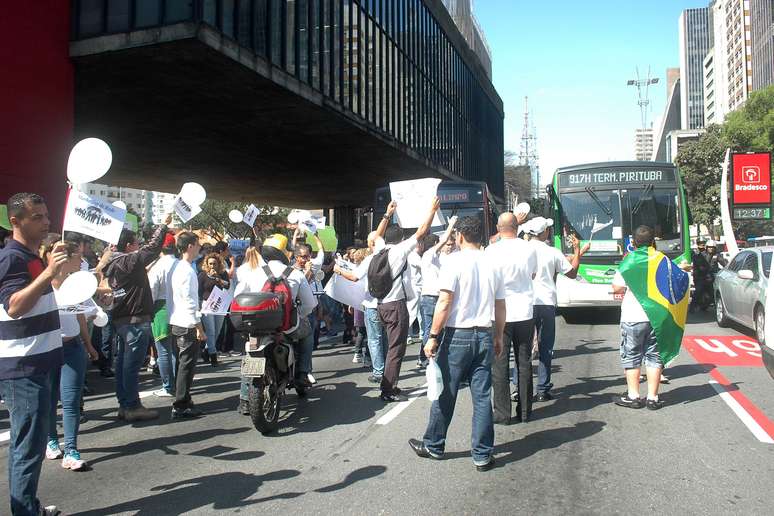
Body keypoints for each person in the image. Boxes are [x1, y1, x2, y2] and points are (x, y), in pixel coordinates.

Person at [408, 216, 504, 471]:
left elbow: (444, 302)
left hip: (456, 336)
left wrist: (432, 337)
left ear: (460, 236)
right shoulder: (493, 263)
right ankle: (482, 454)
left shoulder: (453, 262)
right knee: (482, 397)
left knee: (445, 393)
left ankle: (434, 445)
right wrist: (499, 335)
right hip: (484, 332)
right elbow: (500, 304)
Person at [0, 192, 65, 515]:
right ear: (16, 221)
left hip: (41, 361)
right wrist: (48, 273)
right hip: (24, 367)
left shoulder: (32, 255)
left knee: (33, 445)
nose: (47, 223)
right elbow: (13, 306)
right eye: (37, 217)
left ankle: (29, 507)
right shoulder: (12, 257)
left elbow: (42, 298)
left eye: (47, 216)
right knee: (27, 448)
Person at [102, 213, 172, 422]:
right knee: (131, 367)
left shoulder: (113, 262)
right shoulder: (127, 260)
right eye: (136, 244)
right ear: (130, 245)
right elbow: (151, 250)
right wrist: (163, 225)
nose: (138, 247)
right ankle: (132, 406)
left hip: (122, 320)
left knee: (124, 365)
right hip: (135, 320)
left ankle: (125, 404)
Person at [235, 235, 318, 408]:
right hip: (286, 327)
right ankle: (302, 373)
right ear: (284, 252)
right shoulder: (295, 274)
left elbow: (237, 297)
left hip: (257, 327)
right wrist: (298, 314)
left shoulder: (252, 272)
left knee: (250, 353)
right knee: (308, 333)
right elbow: (310, 305)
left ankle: (244, 397)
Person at [41, 236, 99, 472]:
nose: (82, 261)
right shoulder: (41, 285)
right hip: (47, 349)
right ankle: (51, 440)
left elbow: (80, 316)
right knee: (49, 400)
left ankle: (72, 449)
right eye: (78, 257)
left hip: (73, 348)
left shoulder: (77, 284)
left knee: (71, 401)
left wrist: (89, 345)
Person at [372, 197, 440, 402]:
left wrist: (387, 213)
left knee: (390, 346)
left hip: (381, 305)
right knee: (396, 349)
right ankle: (387, 389)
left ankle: (390, 383)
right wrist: (432, 210)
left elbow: (376, 234)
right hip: (396, 306)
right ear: (401, 238)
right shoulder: (399, 251)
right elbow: (421, 232)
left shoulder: (379, 248)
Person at [525, 217, 589, 402]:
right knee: (545, 347)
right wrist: (577, 250)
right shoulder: (552, 252)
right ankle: (543, 389)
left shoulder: (521, 250)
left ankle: (519, 388)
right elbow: (572, 273)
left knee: (523, 348)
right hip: (545, 304)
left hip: (524, 304)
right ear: (543, 233)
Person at [612, 225, 671, 410]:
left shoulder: (630, 260)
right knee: (654, 357)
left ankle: (634, 396)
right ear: (654, 241)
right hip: (657, 316)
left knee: (632, 356)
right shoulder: (662, 260)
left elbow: (617, 288)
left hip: (633, 316)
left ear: (633, 243)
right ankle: (653, 398)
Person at [485, 212, 536, 424]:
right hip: (524, 310)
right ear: (517, 226)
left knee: (500, 363)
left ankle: (502, 413)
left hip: (500, 312)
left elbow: (487, 281)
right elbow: (533, 274)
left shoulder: (491, 251)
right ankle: (525, 412)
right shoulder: (529, 248)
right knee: (524, 362)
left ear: (498, 227)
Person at [333, 229, 390, 384]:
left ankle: (379, 371)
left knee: (374, 339)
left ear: (371, 244)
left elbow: (354, 276)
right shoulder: (391, 256)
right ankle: (386, 369)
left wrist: (339, 271)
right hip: (388, 304)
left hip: (372, 305)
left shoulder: (370, 259)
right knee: (383, 338)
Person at [168, 232, 206, 419]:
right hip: (186, 323)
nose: (199, 248)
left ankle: (184, 398)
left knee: (182, 364)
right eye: (197, 244)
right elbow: (190, 301)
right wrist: (199, 327)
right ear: (190, 246)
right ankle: (181, 403)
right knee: (186, 365)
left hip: (178, 321)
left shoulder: (179, 267)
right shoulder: (187, 270)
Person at [417, 216, 458, 368]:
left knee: (440, 329)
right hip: (430, 298)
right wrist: (451, 225)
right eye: (447, 244)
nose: (449, 246)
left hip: (441, 296)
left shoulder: (447, 258)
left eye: (451, 244)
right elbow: (442, 241)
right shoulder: (429, 255)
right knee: (430, 329)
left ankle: (429, 356)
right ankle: (427, 358)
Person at [147, 231, 179, 398]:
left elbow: (152, 291)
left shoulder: (157, 266)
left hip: (161, 308)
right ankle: (177, 385)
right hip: (179, 308)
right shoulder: (181, 264)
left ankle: (168, 386)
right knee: (175, 349)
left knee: (164, 350)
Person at [198, 252, 230, 366]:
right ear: (207, 264)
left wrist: (218, 278)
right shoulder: (202, 275)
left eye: (214, 264)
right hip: (207, 304)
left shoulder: (223, 273)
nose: (212, 266)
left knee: (217, 331)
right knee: (210, 331)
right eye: (210, 264)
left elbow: (227, 285)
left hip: (219, 304)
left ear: (218, 264)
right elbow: (199, 291)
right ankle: (213, 355)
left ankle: (206, 350)